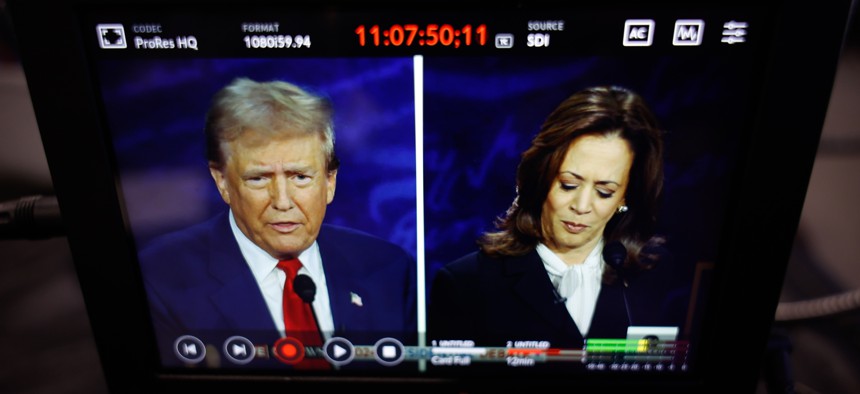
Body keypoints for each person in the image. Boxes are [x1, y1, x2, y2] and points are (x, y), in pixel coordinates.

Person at [138, 77, 417, 369]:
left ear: (330, 181)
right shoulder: (161, 278)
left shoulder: (390, 270)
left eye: (300, 176)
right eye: (258, 178)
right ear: (222, 182)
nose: (283, 201)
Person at [428, 85, 680, 354]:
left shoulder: (658, 276)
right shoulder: (466, 283)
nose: (582, 206)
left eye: (604, 192)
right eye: (568, 185)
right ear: (541, 178)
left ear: (625, 197)